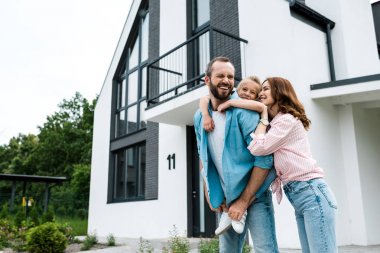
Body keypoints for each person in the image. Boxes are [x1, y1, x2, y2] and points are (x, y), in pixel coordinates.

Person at [193, 56, 279, 253]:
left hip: (254, 196)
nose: (226, 80)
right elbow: (203, 156)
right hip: (227, 199)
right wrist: (209, 192)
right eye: (220, 75)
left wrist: (244, 201)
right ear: (207, 80)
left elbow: (265, 158)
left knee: (265, 250)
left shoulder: (243, 110)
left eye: (230, 76)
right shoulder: (200, 116)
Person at [247, 77, 338, 253]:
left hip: (312, 194)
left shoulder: (286, 120)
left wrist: (263, 118)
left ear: (279, 91)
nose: (261, 93)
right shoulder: (277, 124)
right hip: (302, 196)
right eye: (261, 90)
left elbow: (258, 147)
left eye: (266, 89)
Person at [198, 76, 267, 235]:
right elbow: (204, 98)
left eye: (252, 92)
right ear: (237, 90)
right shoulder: (222, 104)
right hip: (227, 189)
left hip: (251, 188)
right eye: (244, 90)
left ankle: (239, 214)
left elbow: (259, 106)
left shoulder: (250, 111)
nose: (247, 94)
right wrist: (205, 115)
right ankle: (228, 214)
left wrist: (229, 103)